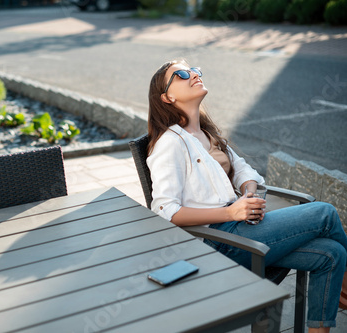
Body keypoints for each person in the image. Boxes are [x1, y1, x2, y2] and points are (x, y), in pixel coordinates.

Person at [146, 59, 347, 332]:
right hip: (219, 241)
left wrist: (247, 197)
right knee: (324, 213)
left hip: (242, 228)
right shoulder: (170, 143)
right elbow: (164, 210)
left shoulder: (206, 133)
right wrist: (229, 212)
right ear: (167, 97)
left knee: (332, 254)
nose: (193, 74)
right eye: (181, 74)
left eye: (195, 70)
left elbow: (245, 171)